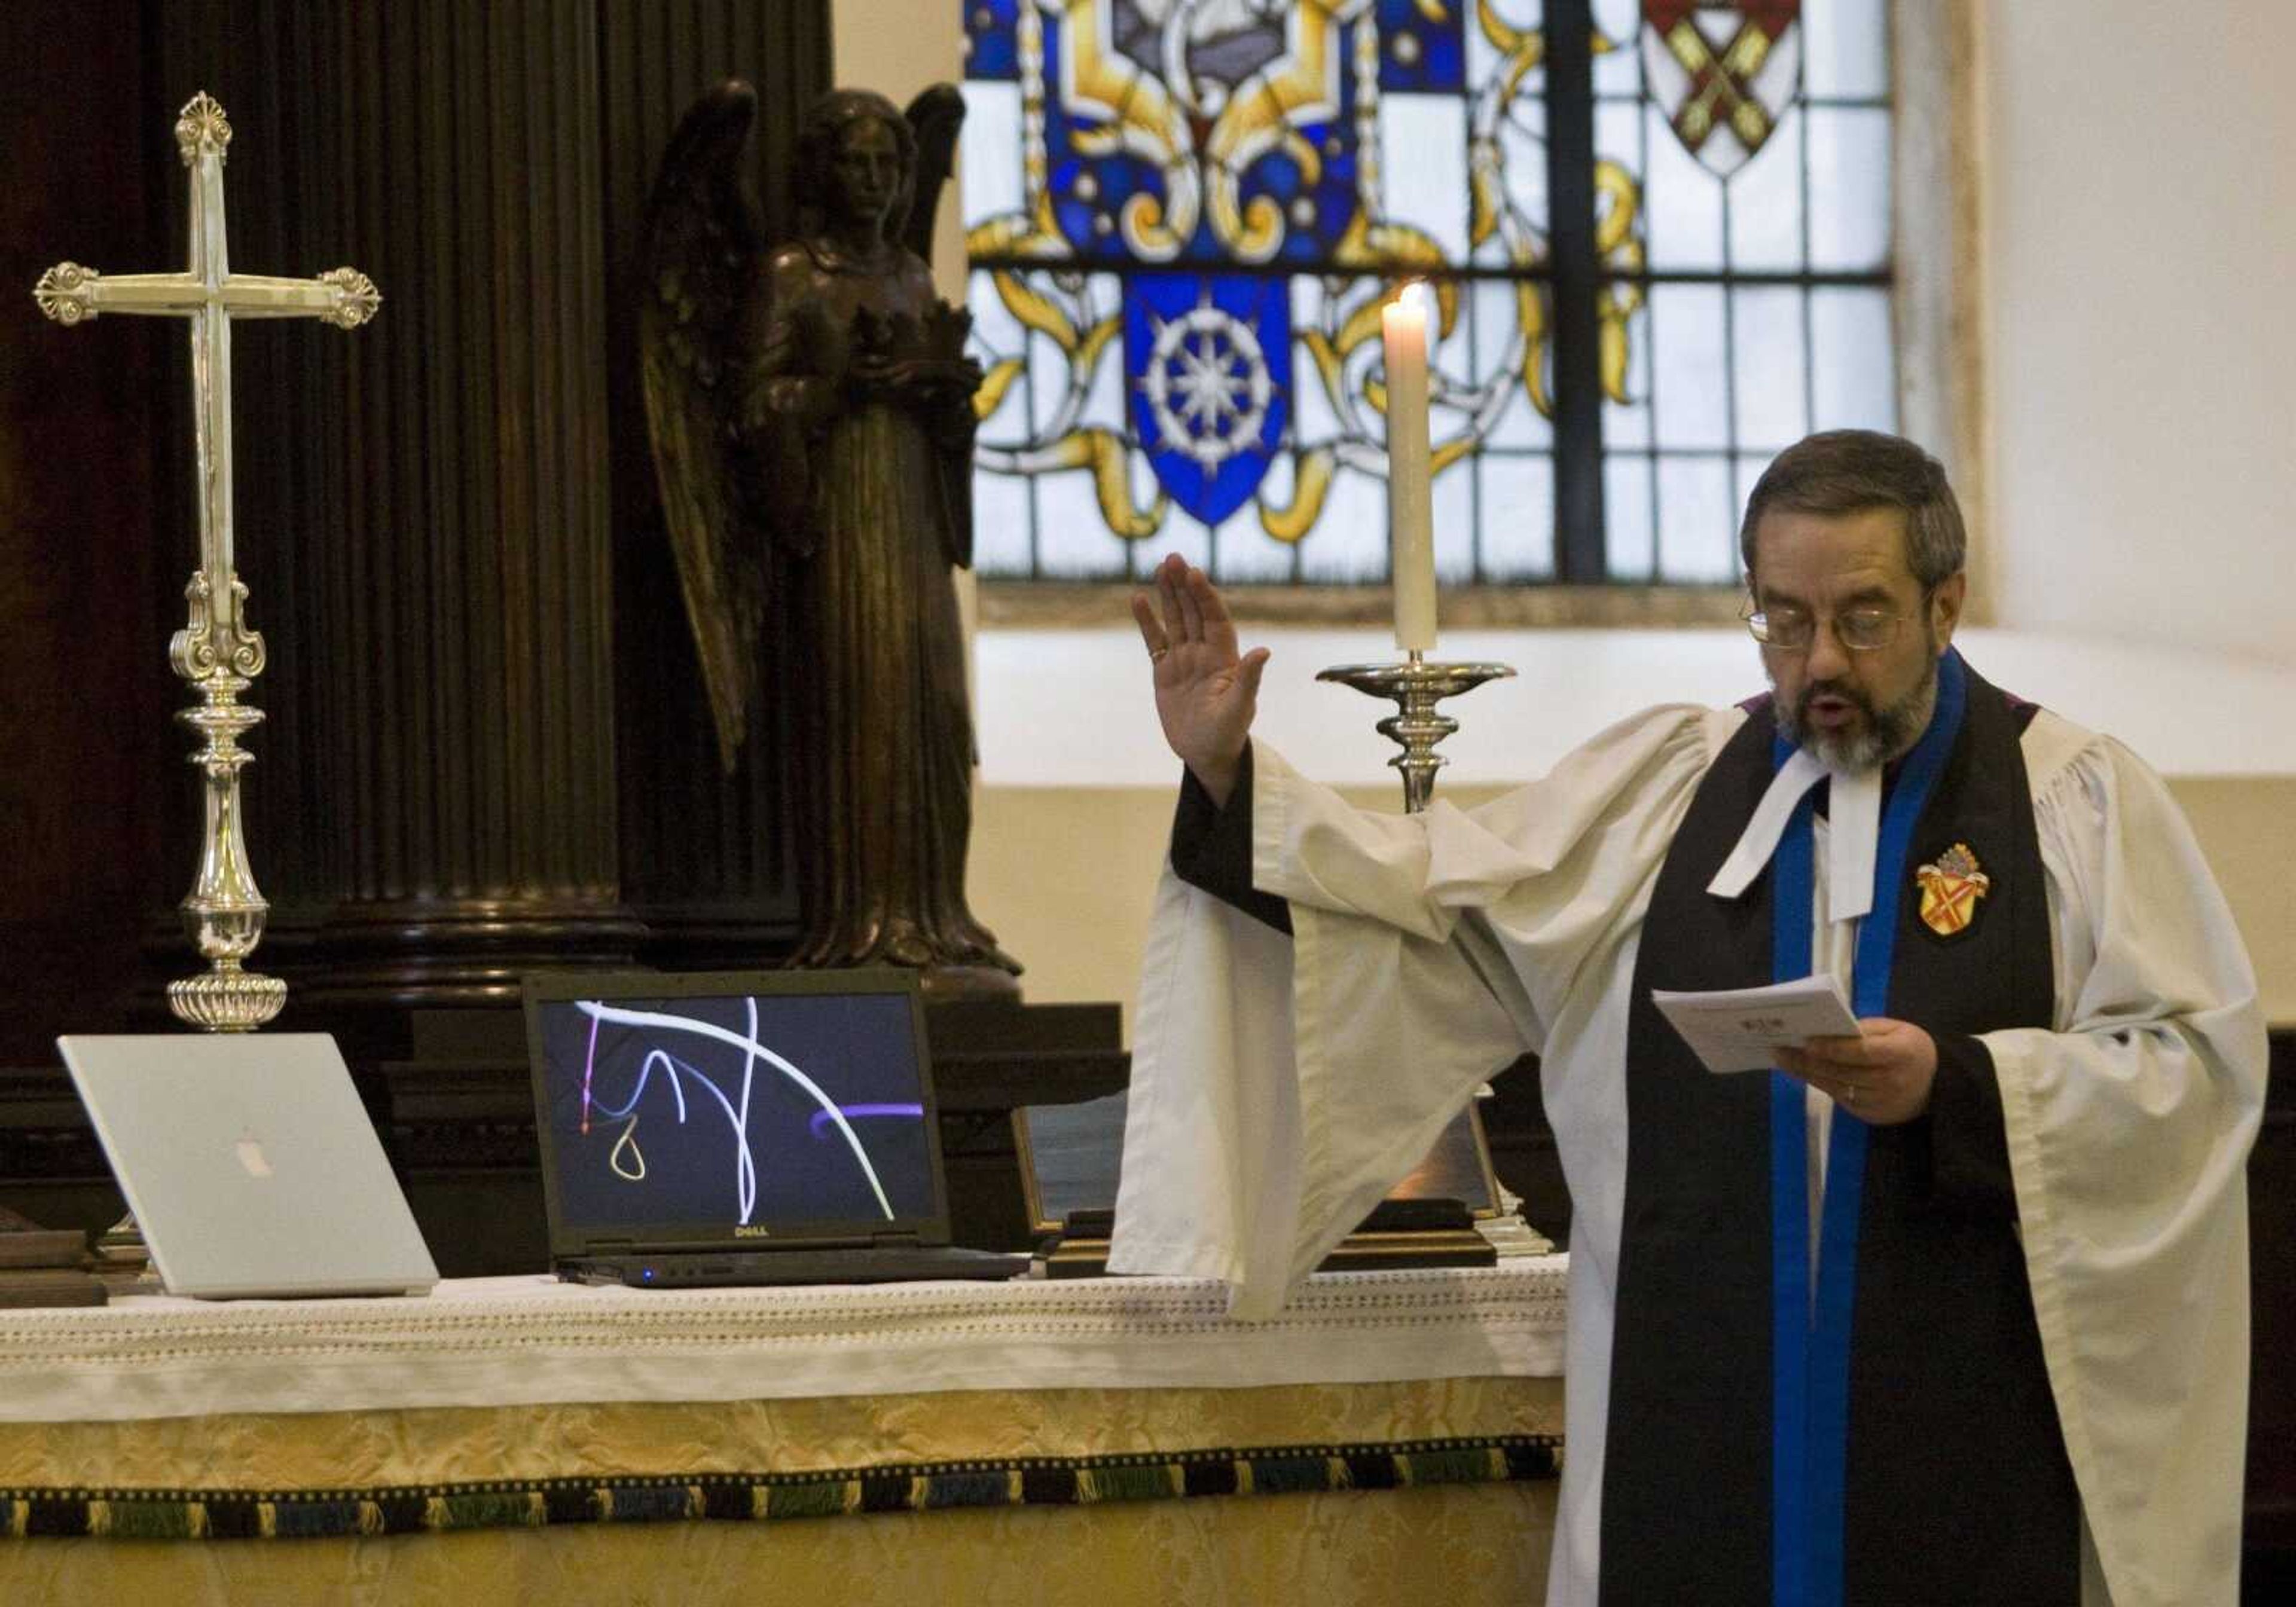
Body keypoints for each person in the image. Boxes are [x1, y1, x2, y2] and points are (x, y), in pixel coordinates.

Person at [1109, 430, 2263, 1606]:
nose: (1819, 660)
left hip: (1972, 1441)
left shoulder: (2070, 800)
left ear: (1946, 603)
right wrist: (1229, 781)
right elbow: (1434, 922)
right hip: (1697, 1428)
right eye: (1782, 618)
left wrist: (1960, 1084)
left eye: (1863, 618)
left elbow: (2192, 1076)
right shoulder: (1671, 792)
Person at [743, 90, 1015, 980]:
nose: (873, 181)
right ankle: (862, 924)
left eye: (888, 166)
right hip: (843, 524)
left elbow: (939, 407)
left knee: (934, 709)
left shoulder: (910, 276)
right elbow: (751, 407)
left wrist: (947, 401)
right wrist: (840, 391)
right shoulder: (790, 273)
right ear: (823, 170)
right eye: (856, 162)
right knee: (863, 708)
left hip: (910, 514)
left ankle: (936, 917)